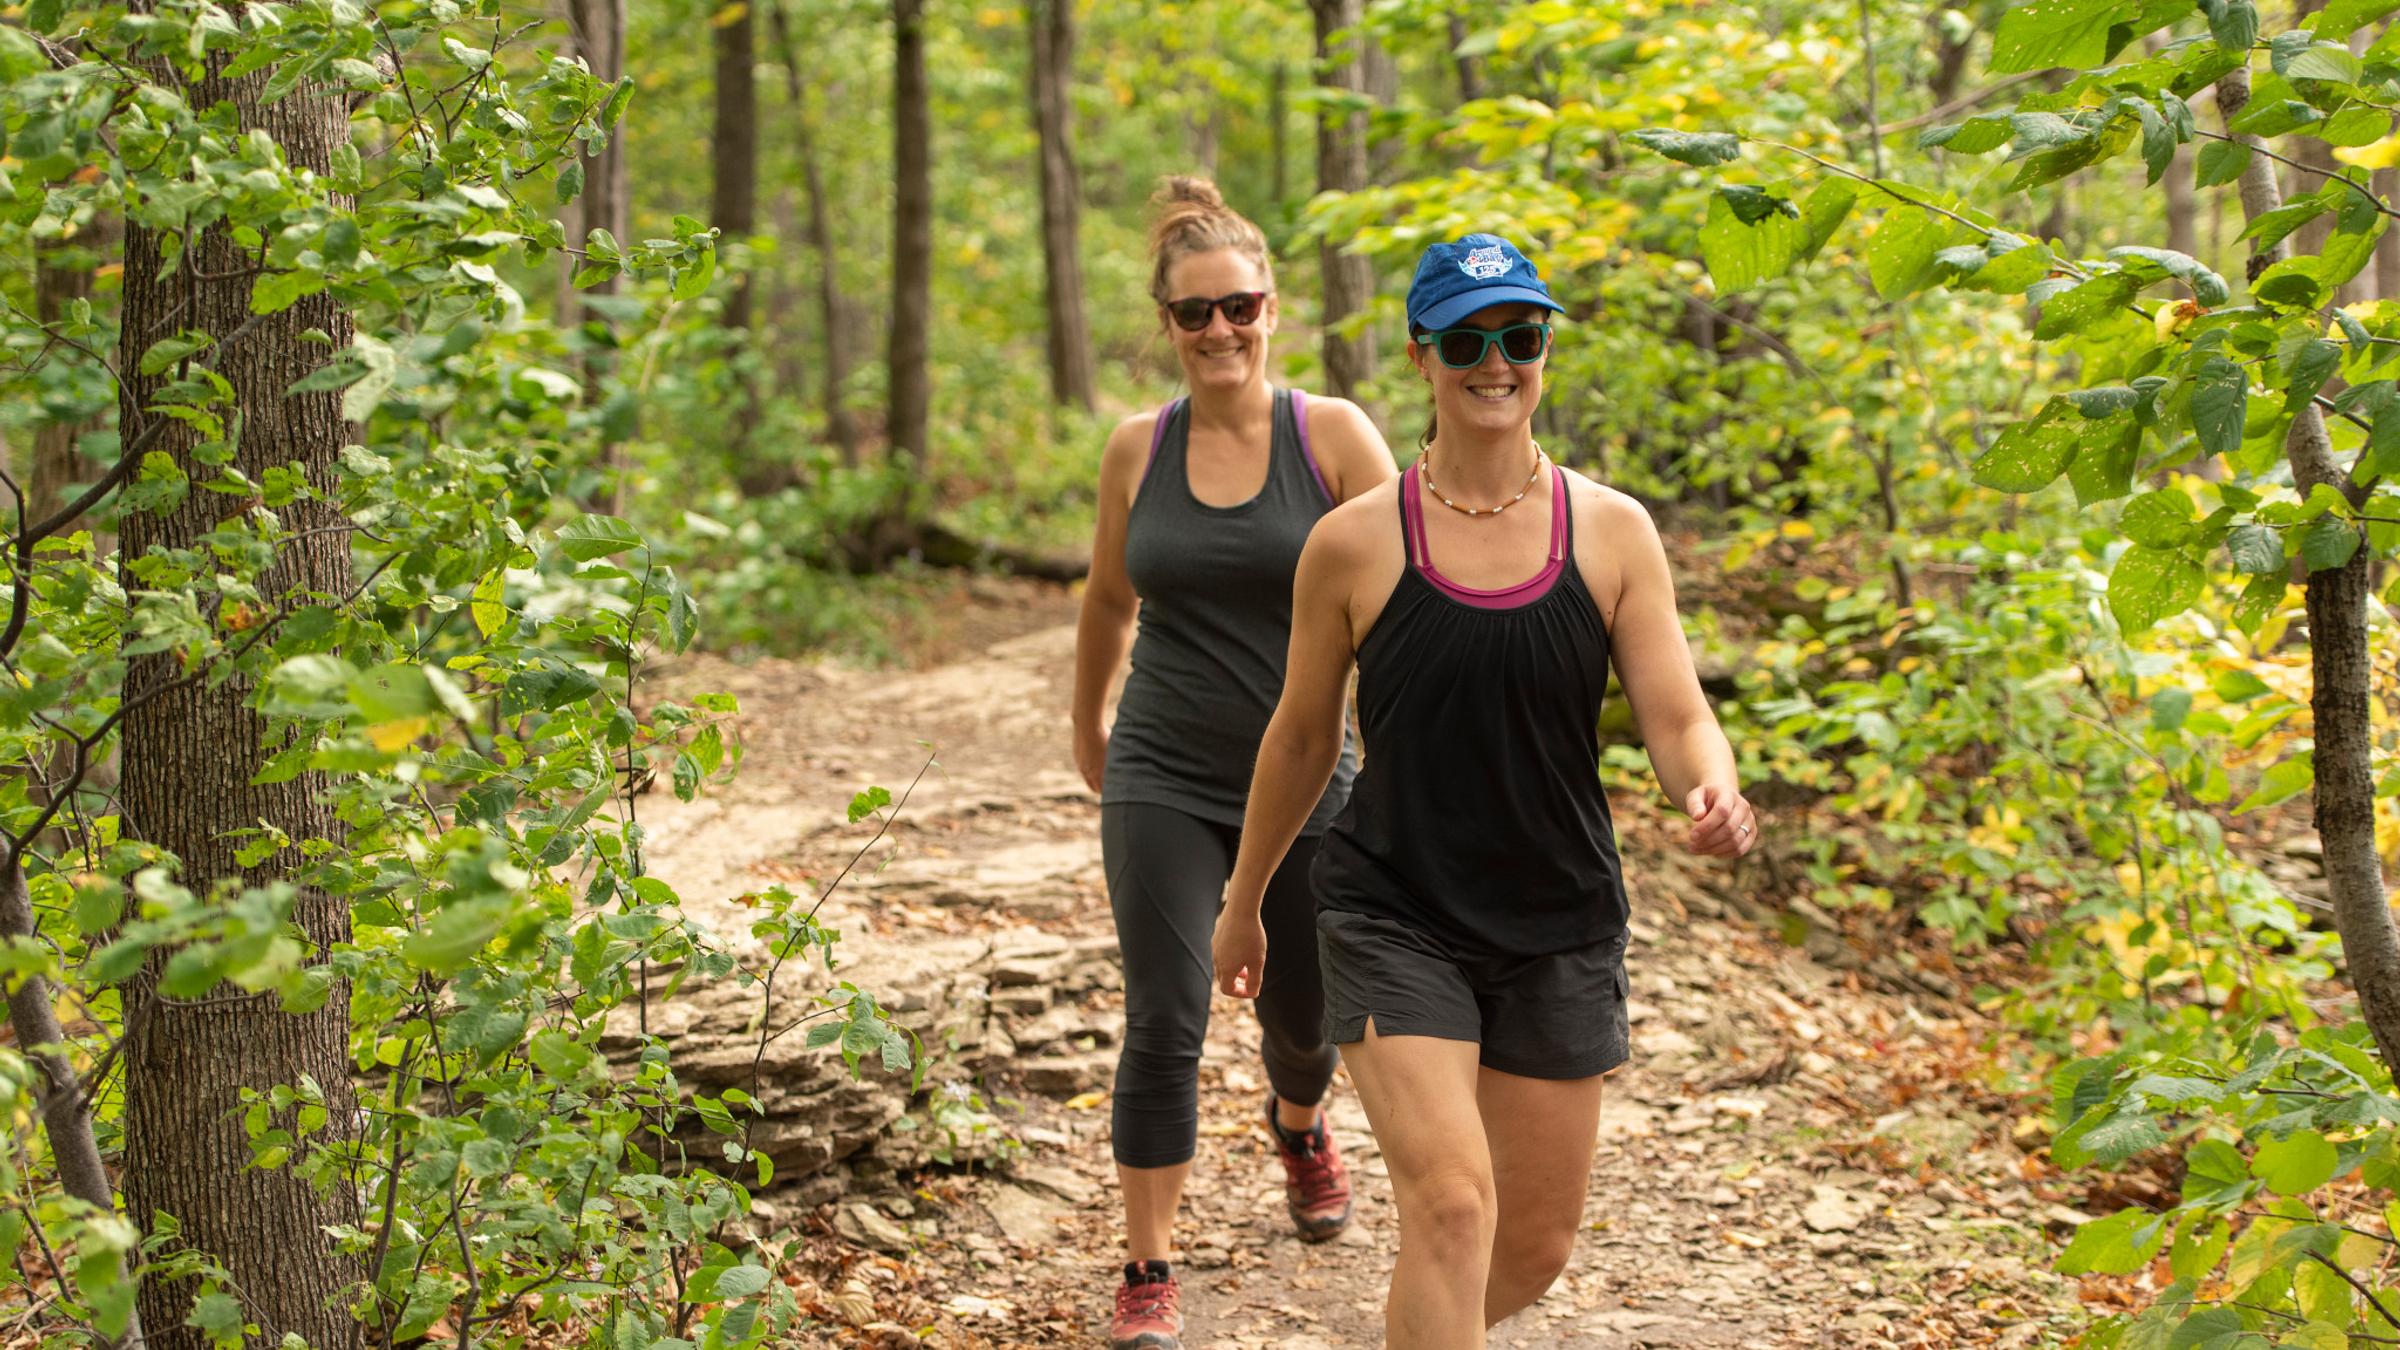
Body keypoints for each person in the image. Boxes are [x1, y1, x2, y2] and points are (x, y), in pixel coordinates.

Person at [1210, 233, 1759, 1350]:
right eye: (1467, 339)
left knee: (1530, 1248)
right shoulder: (1354, 544)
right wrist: (1245, 898)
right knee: (1453, 1205)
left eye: (1522, 335)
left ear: (1545, 347)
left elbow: (1675, 711)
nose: (1496, 360)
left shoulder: (1611, 531)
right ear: (1422, 356)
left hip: (1557, 921)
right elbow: (1304, 735)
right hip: (1393, 910)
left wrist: (1711, 789)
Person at [1071, 176, 1398, 1350]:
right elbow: (1109, 598)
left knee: (1306, 1019)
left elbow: (1410, 601)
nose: (1220, 332)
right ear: (1165, 324)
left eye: (1239, 308)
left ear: (1273, 311)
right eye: (1194, 314)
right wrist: (1085, 724)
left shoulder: (1338, 439)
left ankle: (1300, 1125)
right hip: (1162, 764)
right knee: (1163, 1016)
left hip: (1313, 774)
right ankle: (1148, 1269)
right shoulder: (1134, 450)